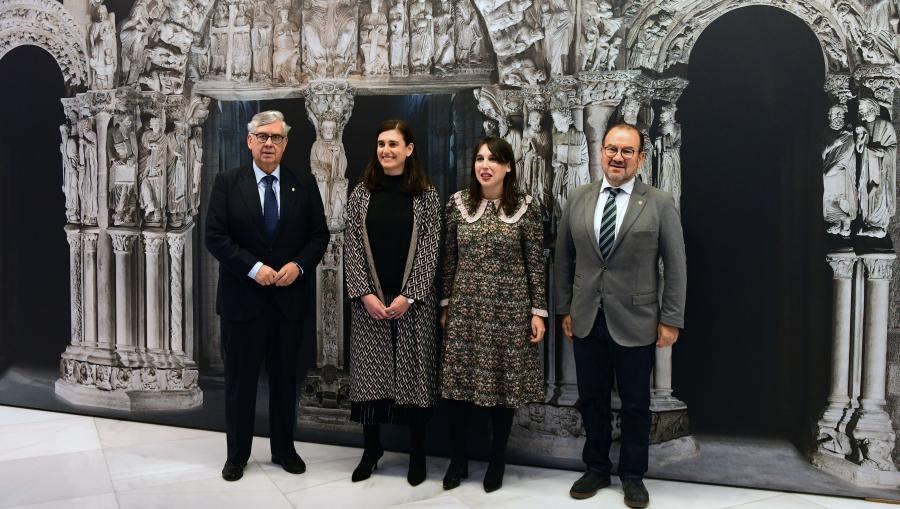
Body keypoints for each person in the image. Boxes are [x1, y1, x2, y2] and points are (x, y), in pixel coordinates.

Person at [555, 123, 686, 508]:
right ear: (601, 153)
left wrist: (671, 318)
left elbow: (675, 265)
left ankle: (632, 475)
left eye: (627, 151)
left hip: (637, 320)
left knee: (635, 404)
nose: (617, 157)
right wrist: (564, 308)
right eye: (612, 149)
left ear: (640, 158)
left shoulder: (659, 202)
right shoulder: (578, 198)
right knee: (592, 399)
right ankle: (596, 468)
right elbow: (563, 259)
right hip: (586, 318)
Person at [206, 110, 329, 482]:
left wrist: (299, 266)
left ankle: (284, 450)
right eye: (262, 136)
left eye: (276, 137)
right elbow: (215, 237)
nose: (269, 143)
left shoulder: (303, 183)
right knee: (240, 383)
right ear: (250, 141)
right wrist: (254, 267)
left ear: (286, 143)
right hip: (242, 302)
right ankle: (237, 455)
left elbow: (319, 236)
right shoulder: (228, 182)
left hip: (287, 304)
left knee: (284, 382)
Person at [440, 136, 547, 493]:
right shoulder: (457, 204)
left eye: (494, 160)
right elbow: (448, 260)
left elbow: (535, 264)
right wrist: (445, 305)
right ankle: (458, 459)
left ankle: (497, 460)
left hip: (509, 310)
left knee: (503, 388)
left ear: (508, 167)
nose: (485, 166)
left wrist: (538, 312)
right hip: (466, 310)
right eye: (480, 159)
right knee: (457, 388)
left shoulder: (526, 208)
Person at [344, 119, 441, 486]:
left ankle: (417, 453)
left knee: (415, 378)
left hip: (413, 303)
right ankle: (372, 450)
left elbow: (430, 250)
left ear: (409, 149)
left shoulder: (426, 195)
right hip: (370, 301)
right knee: (370, 379)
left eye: (393, 144)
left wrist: (409, 295)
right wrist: (365, 294)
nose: (386, 150)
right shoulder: (362, 193)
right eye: (381, 144)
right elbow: (352, 245)